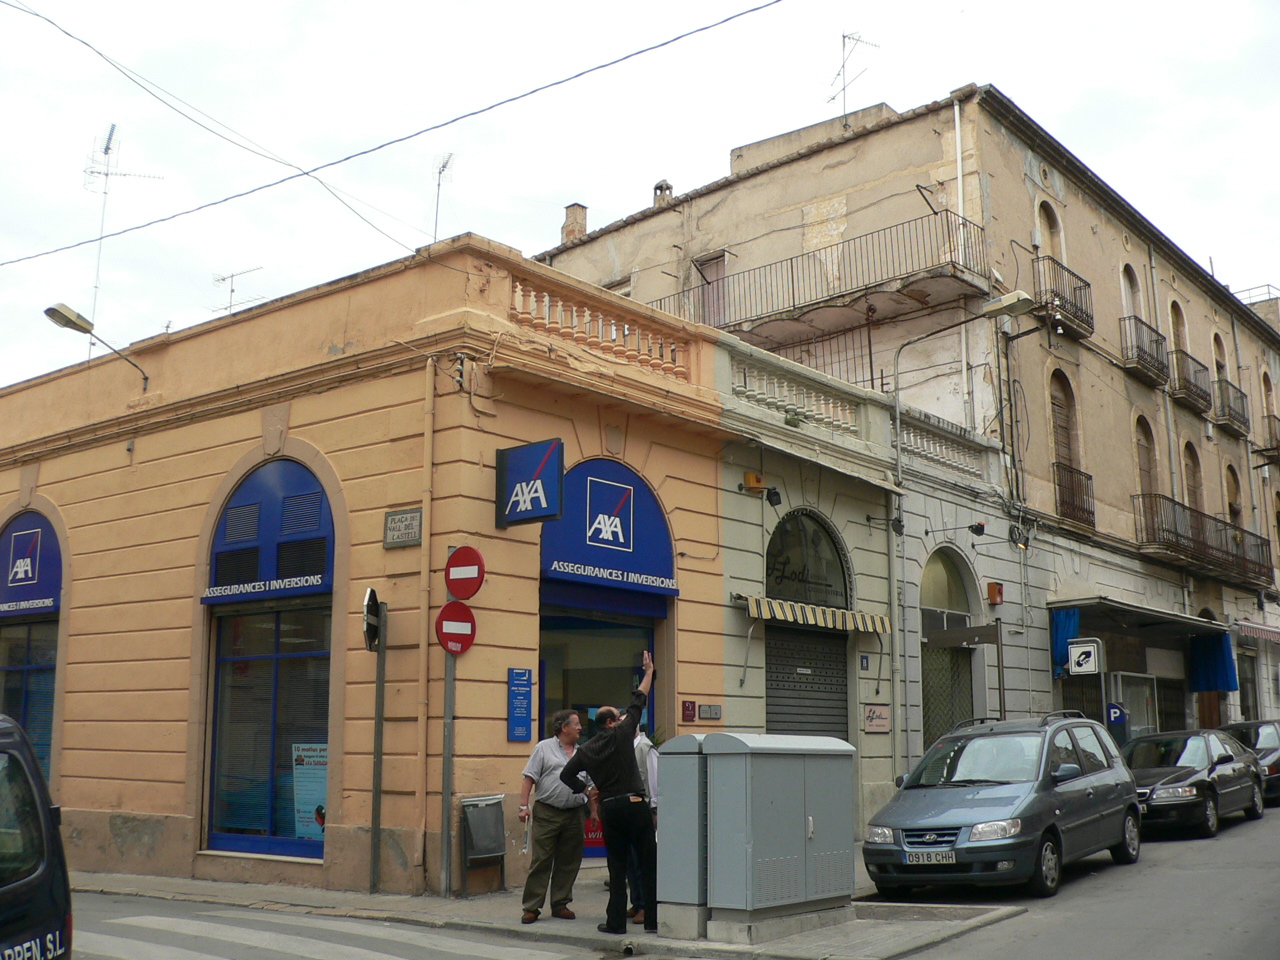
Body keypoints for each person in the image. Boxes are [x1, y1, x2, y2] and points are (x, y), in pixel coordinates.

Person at [560, 650, 657, 934]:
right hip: (635, 804)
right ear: (612, 722)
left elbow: (566, 775)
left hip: (610, 808)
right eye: (619, 716)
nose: (624, 717)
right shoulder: (622, 734)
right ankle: (652, 920)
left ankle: (615, 923)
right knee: (648, 863)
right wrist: (649, 672)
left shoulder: (586, 750)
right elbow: (639, 699)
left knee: (617, 866)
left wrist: (588, 789)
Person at [518, 709, 594, 924]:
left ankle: (560, 903)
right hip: (548, 812)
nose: (580, 728)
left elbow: (590, 785)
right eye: (576, 724)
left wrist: (594, 811)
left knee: (569, 861)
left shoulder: (583, 752)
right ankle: (532, 907)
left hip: (575, 814)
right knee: (542, 860)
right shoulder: (543, 748)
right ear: (564, 727)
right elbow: (529, 778)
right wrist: (523, 806)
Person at [626, 723, 659, 924]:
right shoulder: (625, 747)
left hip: (644, 810)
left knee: (642, 862)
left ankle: (647, 906)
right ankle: (637, 902)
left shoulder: (646, 748)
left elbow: (654, 780)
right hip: (628, 811)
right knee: (630, 861)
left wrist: (654, 809)